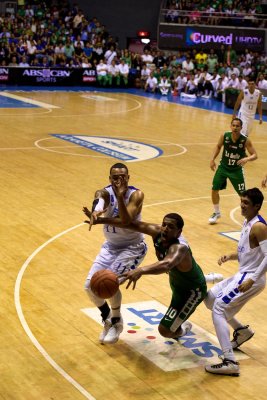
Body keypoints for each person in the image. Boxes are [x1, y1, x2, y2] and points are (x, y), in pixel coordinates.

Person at [84, 212, 224, 340]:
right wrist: (101, 220)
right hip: (177, 282)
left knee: (165, 331)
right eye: (164, 224)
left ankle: (184, 328)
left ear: (179, 232)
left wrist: (141, 270)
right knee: (182, 275)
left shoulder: (180, 247)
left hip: (192, 291)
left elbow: (166, 264)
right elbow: (131, 223)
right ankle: (206, 278)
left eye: (170, 226)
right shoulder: (157, 231)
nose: (165, 228)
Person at [83, 163, 147, 345]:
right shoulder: (104, 192)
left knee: (111, 283)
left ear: (128, 177)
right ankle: (108, 319)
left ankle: (117, 322)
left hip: (132, 248)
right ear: (109, 179)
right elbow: (99, 200)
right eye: (114, 177)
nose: (118, 180)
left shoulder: (136, 194)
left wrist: (119, 196)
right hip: (110, 246)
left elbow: (126, 221)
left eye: (122, 176)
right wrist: (96, 212)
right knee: (89, 286)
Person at [205, 188, 267, 376]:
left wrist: (252, 279)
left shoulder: (259, 226)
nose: (242, 205)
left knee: (219, 310)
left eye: (246, 203)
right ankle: (241, 331)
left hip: (250, 277)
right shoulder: (247, 221)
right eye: (241, 201)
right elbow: (250, 250)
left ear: (257, 206)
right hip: (243, 273)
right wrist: (232, 256)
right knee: (210, 298)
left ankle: (229, 361)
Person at [209, 118, 258, 224]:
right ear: (231, 126)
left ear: (241, 128)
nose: (235, 128)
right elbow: (218, 146)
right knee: (214, 189)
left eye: (237, 126)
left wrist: (246, 158)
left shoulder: (245, 140)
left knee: (243, 196)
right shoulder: (225, 136)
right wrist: (212, 159)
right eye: (233, 125)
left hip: (236, 170)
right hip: (223, 167)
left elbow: (255, 155)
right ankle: (216, 212)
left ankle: (248, 216)